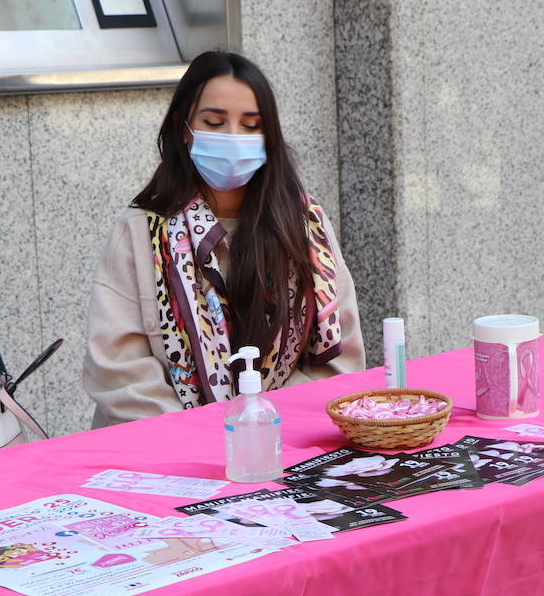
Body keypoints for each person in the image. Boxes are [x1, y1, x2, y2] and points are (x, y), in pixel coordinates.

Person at [83, 50, 365, 427]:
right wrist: (210, 436)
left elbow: (337, 358)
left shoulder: (305, 226)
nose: (233, 137)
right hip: (164, 455)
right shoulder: (140, 230)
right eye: (214, 122)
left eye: (251, 126)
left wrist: (259, 427)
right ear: (185, 128)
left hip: (283, 444)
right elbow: (118, 368)